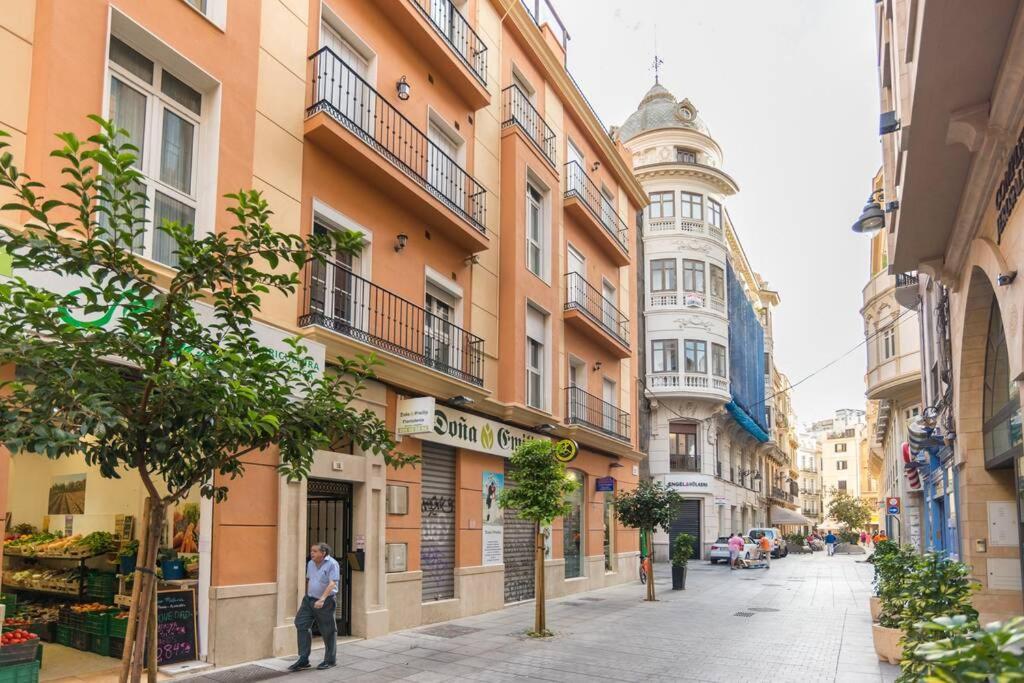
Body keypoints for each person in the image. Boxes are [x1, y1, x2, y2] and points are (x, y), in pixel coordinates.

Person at [289, 542, 340, 672]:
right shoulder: (311, 564)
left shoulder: (332, 564)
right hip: (309, 600)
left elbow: (332, 583)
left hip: (325, 602)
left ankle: (330, 660)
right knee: (301, 623)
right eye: (311, 551)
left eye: (315, 551)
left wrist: (322, 599)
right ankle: (303, 659)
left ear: (323, 553)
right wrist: (308, 595)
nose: (312, 553)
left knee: (328, 631)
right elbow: (309, 580)